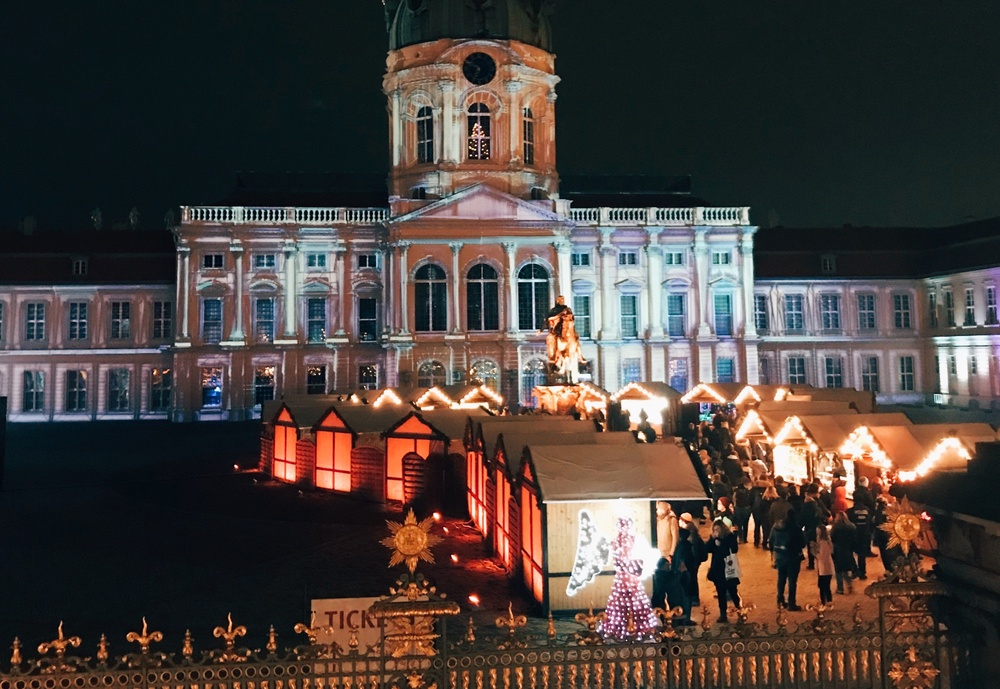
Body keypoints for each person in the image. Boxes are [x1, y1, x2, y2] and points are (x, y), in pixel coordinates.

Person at [705, 520, 741, 623]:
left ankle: (740, 610)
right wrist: (712, 539)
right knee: (721, 593)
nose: (717, 531)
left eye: (718, 529)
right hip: (718, 570)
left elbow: (734, 549)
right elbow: (707, 549)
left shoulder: (730, 537)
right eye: (714, 530)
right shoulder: (714, 539)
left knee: (733, 591)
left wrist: (721, 544)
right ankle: (723, 614)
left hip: (729, 568)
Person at [769, 515, 804, 611]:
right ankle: (791, 603)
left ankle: (780, 599)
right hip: (793, 557)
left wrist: (774, 553)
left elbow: (771, 540)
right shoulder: (796, 529)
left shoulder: (776, 528)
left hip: (780, 556)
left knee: (781, 579)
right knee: (792, 581)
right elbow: (803, 542)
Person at [651, 501, 679, 610]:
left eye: (658, 509)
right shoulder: (658, 520)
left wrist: (671, 554)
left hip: (667, 554)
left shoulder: (671, 520)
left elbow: (675, 537)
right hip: (659, 553)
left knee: (667, 579)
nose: (657, 511)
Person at [799, 484, 831, 570]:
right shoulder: (818, 502)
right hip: (819, 526)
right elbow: (827, 513)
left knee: (811, 544)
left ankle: (811, 564)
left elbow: (803, 517)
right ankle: (821, 563)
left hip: (809, 527)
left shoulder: (806, 504)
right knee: (820, 544)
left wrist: (801, 526)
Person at [678, 512, 706, 606]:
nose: (678, 521)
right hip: (693, 560)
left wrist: (694, 562)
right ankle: (693, 597)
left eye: (680, 520)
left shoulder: (689, 532)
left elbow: (693, 548)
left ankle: (694, 598)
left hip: (692, 561)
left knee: (691, 579)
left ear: (683, 521)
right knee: (692, 578)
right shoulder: (692, 530)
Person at [847, 495, 873, 580]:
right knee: (862, 555)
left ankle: (855, 570)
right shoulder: (867, 510)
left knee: (850, 553)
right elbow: (870, 522)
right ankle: (862, 573)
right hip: (865, 535)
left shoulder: (850, 511)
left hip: (854, 534)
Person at [831, 511, 858, 594]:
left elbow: (832, 538)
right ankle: (849, 586)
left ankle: (840, 588)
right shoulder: (851, 526)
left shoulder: (835, 527)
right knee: (847, 569)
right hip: (848, 550)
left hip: (838, 550)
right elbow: (854, 539)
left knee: (838, 570)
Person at [812, 524, 835, 605]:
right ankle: (828, 601)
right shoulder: (827, 541)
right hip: (826, 566)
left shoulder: (823, 542)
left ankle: (825, 602)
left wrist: (814, 552)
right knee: (825, 585)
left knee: (822, 585)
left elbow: (821, 556)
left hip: (824, 566)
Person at [756, 483, 780, 549]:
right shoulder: (776, 500)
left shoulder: (763, 499)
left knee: (765, 531)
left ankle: (764, 543)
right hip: (773, 517)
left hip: (764, 517)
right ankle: (772, 544)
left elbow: (760, 508)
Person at [733, 478, 754, 544]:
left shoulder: (736, 490)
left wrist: (734, 506)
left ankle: (740, 538)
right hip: (746, 508)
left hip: (738, 508)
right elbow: (750, 499)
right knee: (745, 524)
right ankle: (745, 539)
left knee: (739, 524)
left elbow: (734, 498)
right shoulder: (748, 491)